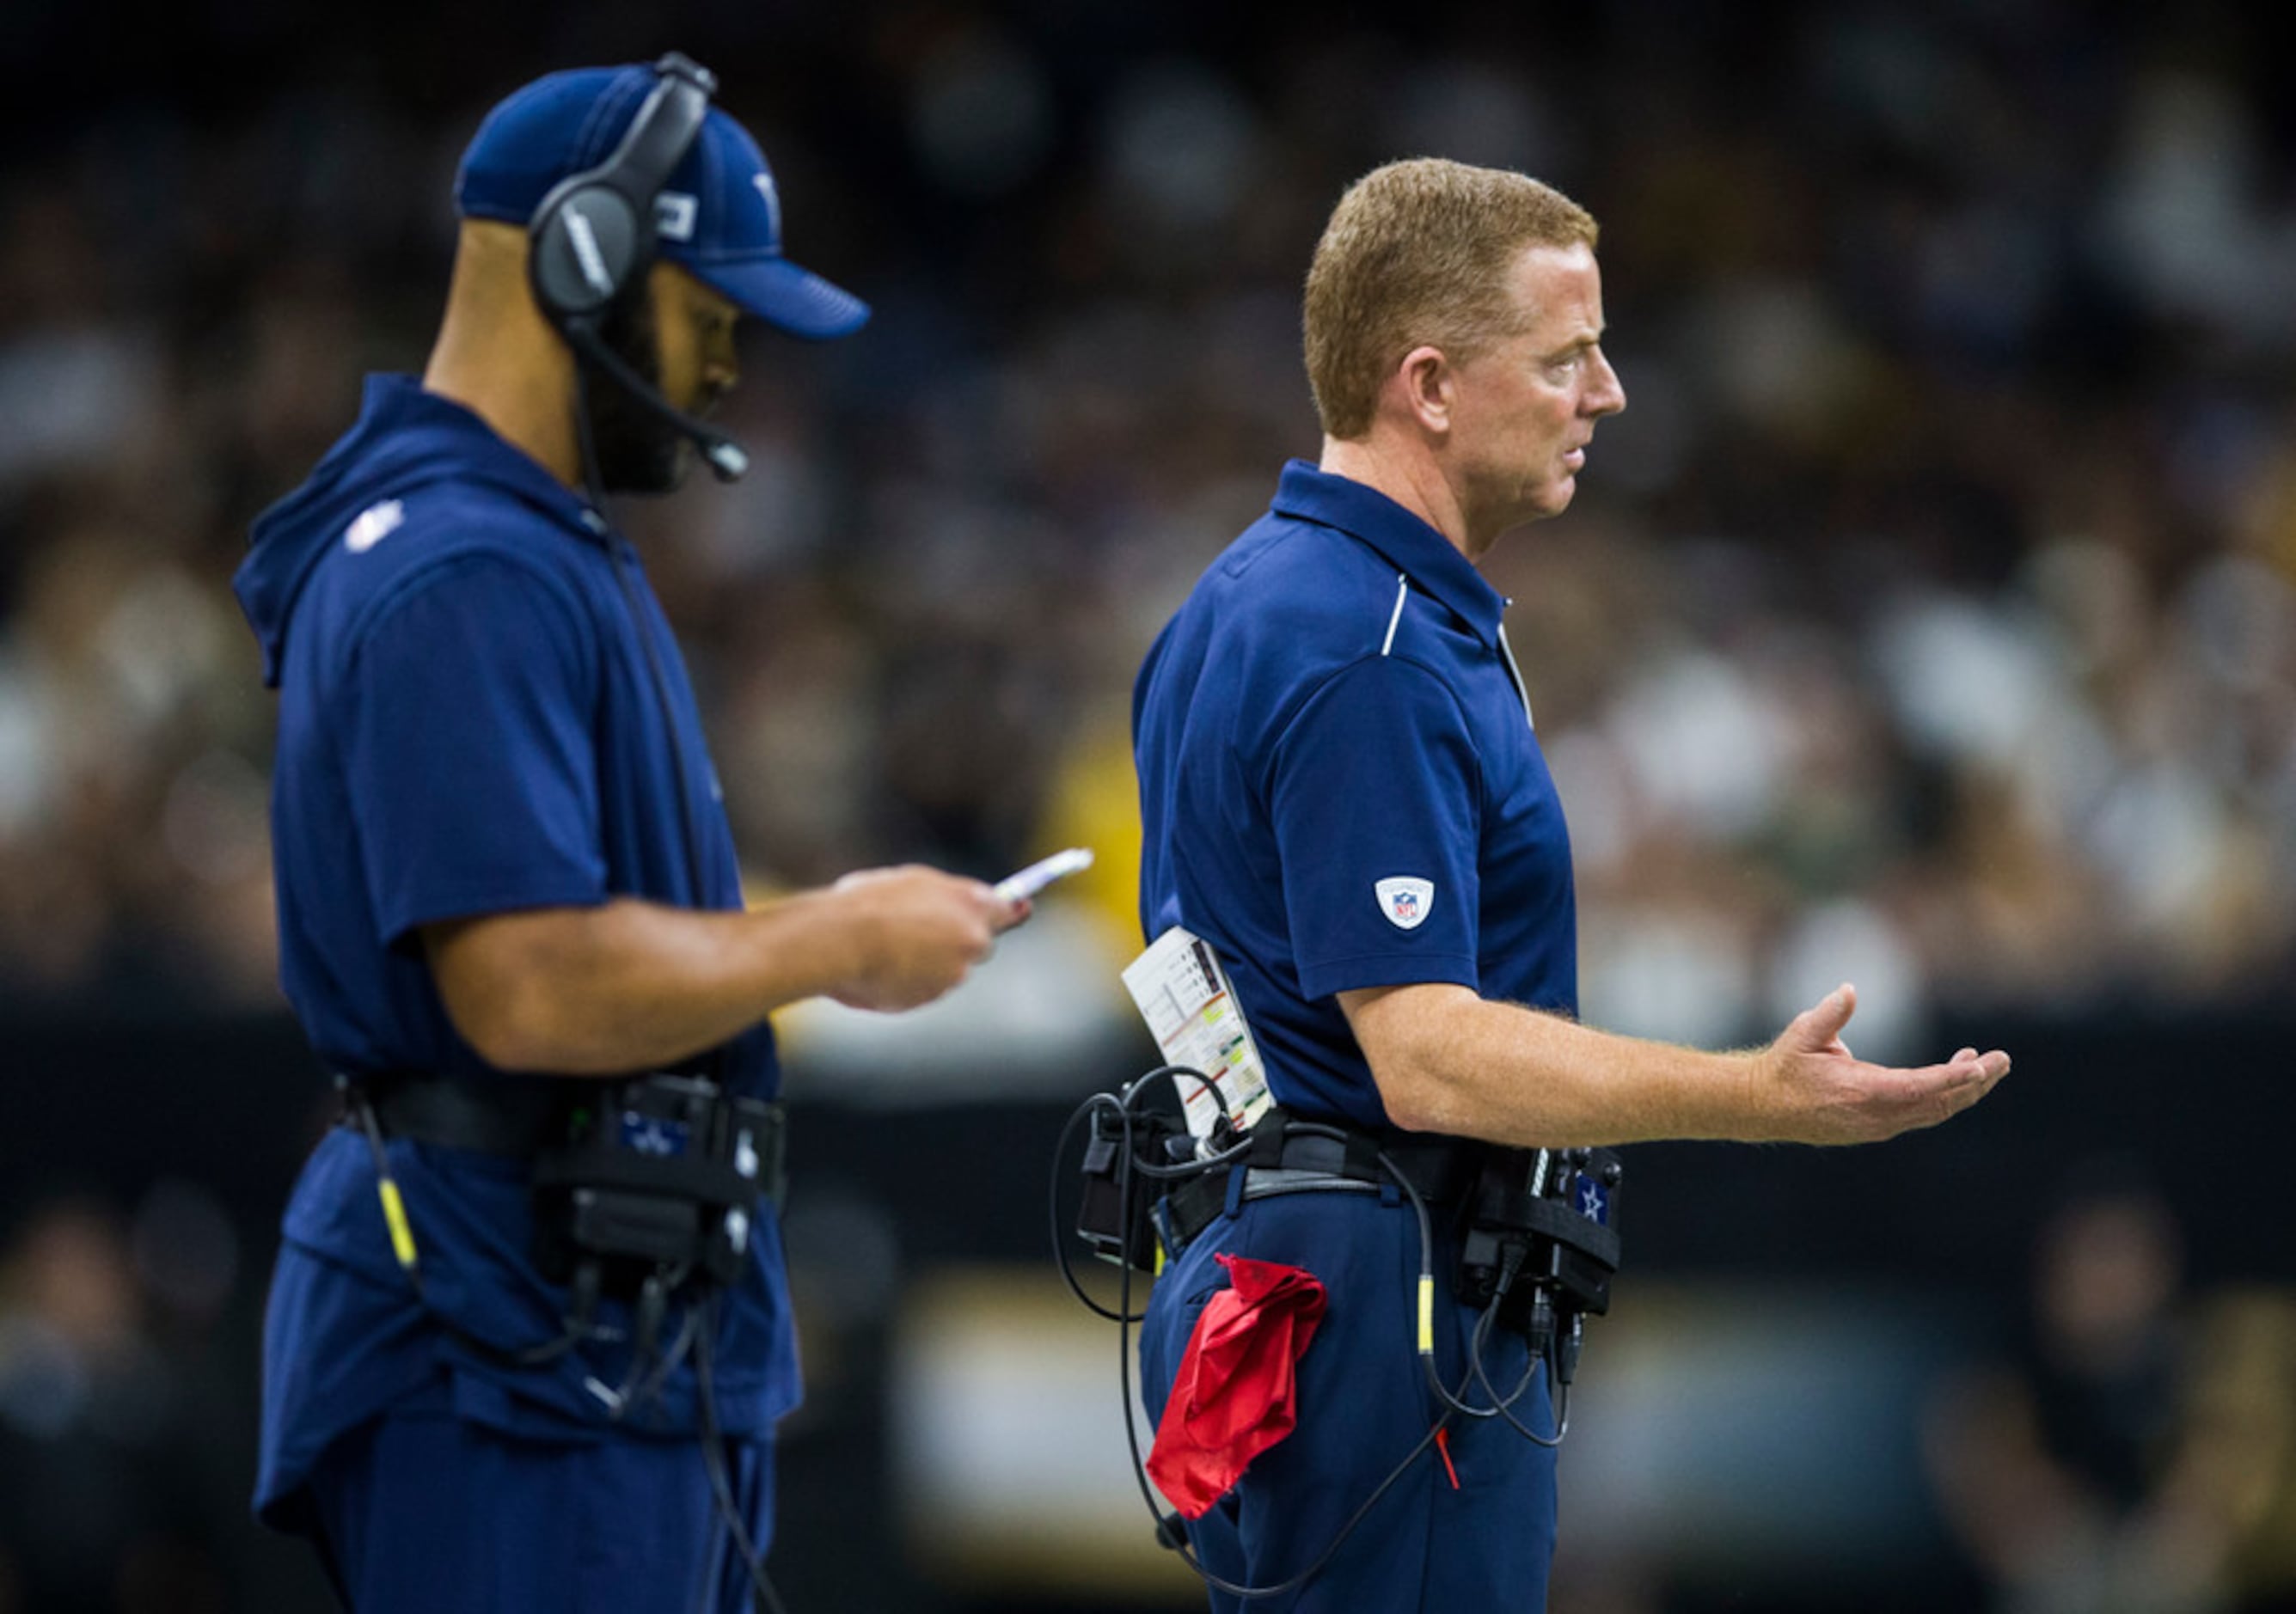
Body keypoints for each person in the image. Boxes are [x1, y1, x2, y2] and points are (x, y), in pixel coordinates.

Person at [1130, 157, 2014, 1613]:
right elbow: (1420, 1053)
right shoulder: (1372, 644)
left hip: (1283, 1267)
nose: (1606, 392)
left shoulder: (1244, 595)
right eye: (1564, 358)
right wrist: (1754, 1098)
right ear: (1427, 383)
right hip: (1383, 1313)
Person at [231, 58, 1018, 1613]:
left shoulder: (525, 537)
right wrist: (839, 937)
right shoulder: (465, 566)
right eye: (708, 306)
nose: (731, 359)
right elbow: (523, 983)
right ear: (582, 262)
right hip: (510, 1337)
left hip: (582, 1329)